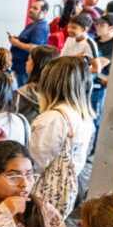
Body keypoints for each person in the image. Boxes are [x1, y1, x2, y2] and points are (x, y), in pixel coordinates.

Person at [30, 56, 94, 218]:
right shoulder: (85, 118)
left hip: (38, 197)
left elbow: (34, 164)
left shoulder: (53, 119)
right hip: (63, 195)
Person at [8, 0, 50, 86]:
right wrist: (18, 39)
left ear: (43, 12)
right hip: (18, 66)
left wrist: (17, 43)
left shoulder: (40, 27)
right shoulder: (34, 24)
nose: (31, 10)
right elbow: (28, 41)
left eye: (35, 8)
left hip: (23, 68)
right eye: (31, 7)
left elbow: (34, 48)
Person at [15, 45, 58, 123]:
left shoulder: (21, 93)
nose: (26, 62)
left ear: (37, 64)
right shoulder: (58, 93)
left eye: (29, 60)